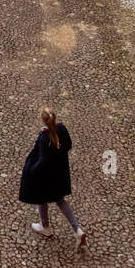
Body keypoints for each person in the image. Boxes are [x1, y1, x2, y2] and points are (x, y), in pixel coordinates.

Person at [18, 107, 86, 251]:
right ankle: (77, 230)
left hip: (46, 175)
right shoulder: (61, 129)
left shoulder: (44, 138)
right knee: (60, 200)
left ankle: (45, 226)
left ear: (43, 120)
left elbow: (42, 160)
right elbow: (68, 145)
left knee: (41, 198)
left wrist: (31, 170)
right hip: (59, 173)